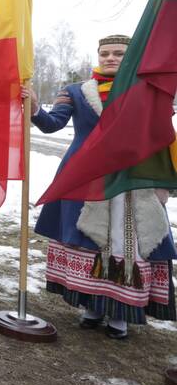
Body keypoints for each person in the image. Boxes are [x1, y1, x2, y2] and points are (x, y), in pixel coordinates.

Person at [27, 34, 175, 339]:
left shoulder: (145, 90)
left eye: (118, 54)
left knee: (125, 244)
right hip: (84, 177)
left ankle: (120, 314)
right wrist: (34, 109)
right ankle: (91, 308)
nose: (110, 58)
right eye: (105, 53)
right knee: (88, 242)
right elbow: (53, 123)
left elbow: (159, 132)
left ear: (130, 56)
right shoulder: (75, 91)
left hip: (130, 179)